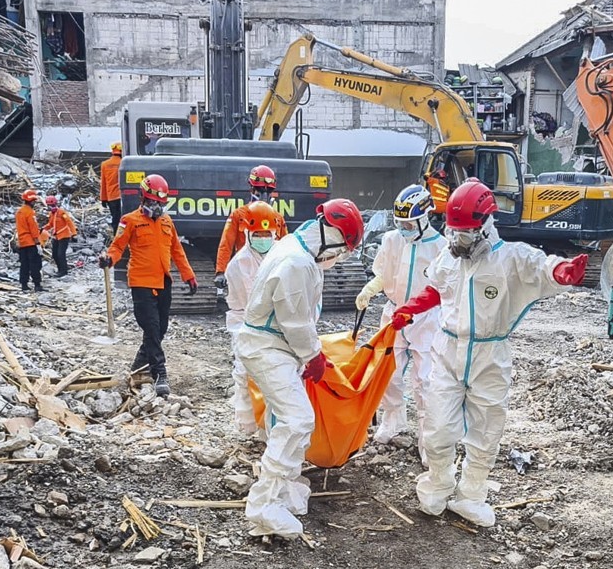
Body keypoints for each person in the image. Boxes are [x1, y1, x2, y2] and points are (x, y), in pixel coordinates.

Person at [390, 179, 588, 528]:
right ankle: (437, 485)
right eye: (454, 232)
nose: (458, 240)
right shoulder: (450, 257)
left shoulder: (510, 258)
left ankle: (471, 495)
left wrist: (563, 271)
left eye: (465, 233)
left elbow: (542, 267)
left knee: (486, 430)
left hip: (489, 353)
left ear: (484, 226)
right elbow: (437, 289)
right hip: (447, 350)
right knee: (438, 427)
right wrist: (411, 308)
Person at [236, 199, 364, 538]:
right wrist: (313, 356)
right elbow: (294, 320)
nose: (339, 259)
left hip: (276, 345)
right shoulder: (296, 262)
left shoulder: (298, 248)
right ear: (332, 238)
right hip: (267, 347)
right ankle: (264, 503)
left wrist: (306, 355)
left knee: (283, 417)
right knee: (298, 419)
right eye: (342, 251)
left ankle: (286, 486)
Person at [355, 185, 446, 454]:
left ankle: (428, 437)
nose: (404, 228)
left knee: (425, 379)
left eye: (409, 224)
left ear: (425, 217)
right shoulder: (392, 240)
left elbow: (444, 287)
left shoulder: (441, 247)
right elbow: (384, 273)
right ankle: (392, 420)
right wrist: (370, 289)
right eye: (400, 223)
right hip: (393, 314)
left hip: (426, 318)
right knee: (387, 373)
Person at [98, 174, 198, 397]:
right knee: (151, 328)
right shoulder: (130, 221)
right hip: (141, 283)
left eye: (161, 203)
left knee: (160, 328)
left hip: (163, 281)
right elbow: (117, 246)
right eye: (154, 202)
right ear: (143, 198)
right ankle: (159, 373)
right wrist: (109, 259)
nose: (157, 207)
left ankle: (138, 365)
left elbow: (177, 250)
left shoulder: (167, 222)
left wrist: (188, 275)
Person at [225, 200, 285, 437]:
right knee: (244, 373)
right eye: (257, 234)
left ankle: (273, 429)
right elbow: (237, 308)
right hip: (249, 327)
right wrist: (242, 337)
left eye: (266, 234)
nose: (263, 238)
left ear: (275, 233)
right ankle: (248, 422)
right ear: (248, 234)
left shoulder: (284, 255)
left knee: (279, 380)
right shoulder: (237, 266)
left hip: (280, 326)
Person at [215, 165, 288, 288]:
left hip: (270, 272)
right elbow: (226, 244)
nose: (264, 195)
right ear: (252, 189)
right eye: (260, 190)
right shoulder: (239, 215)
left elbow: (285, 246)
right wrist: (220, 272)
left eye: (268, 191)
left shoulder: (277, 218)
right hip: (244, 272)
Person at [15, 188, 44, 292]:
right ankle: (37, 284)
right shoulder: (30, 212)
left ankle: (24, 285)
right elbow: (33, 228)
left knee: (24, 264)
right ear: (31, 201)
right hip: (31, 242)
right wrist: (37, 242)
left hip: (22, 242)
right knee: (35, 264)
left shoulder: (19, 212)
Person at [43, 195, 78, 277]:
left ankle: (63, 271)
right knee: (54, 254)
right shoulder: (51, 214)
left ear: (55, 204)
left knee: (61, 254)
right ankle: (60, 270)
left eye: (52, 205)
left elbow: (69, 222)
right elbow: (50, 224)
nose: (51, 207)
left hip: (64, 236)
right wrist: (43, 228)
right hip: (56, 236)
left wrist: (74, 234)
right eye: (49, 205)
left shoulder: (62, 212)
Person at [100, 142, 123, 233]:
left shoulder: (105, 164)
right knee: (123, 219)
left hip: (111, 197)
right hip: (122, 197)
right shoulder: (124, 163)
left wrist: (103, 199)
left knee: (115, 218)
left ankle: (115, 236)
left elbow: (103, 183)